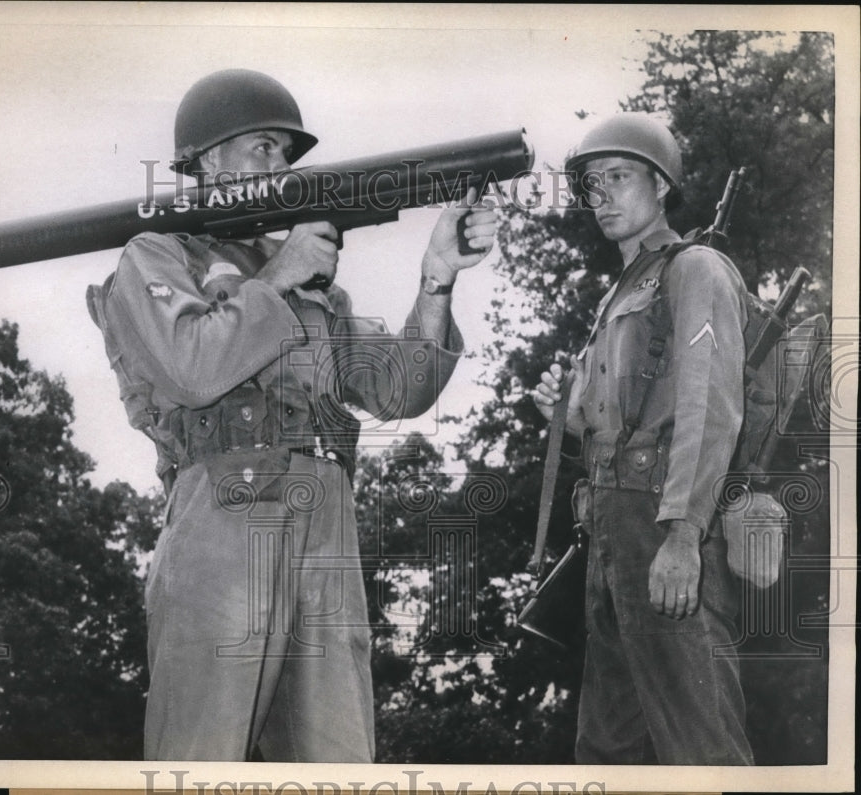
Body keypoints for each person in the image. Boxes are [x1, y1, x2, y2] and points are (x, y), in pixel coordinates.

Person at [87, 69, 497, 762]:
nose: (281, 167)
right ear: (208, 159)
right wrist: (277, 277)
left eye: (285, 153)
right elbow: (192, 368)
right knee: (203, 756)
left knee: (338, 760)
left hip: (325, 522)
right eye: (263, 148)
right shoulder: (157, 254)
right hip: (224, 512)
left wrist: (437, 277)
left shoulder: (310, 281)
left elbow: (399, 389)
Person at [532, 113, 754, 765]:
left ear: (660, 185)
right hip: (608, 531)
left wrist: (684, 534)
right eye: (591, 183)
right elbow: (614, 425)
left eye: (619, 176)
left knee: (703, 747)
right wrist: (569, 416)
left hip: (663, 522)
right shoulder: (618, 295)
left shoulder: (696, 268)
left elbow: (709, 405)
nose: (600, 194)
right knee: (607, 751)